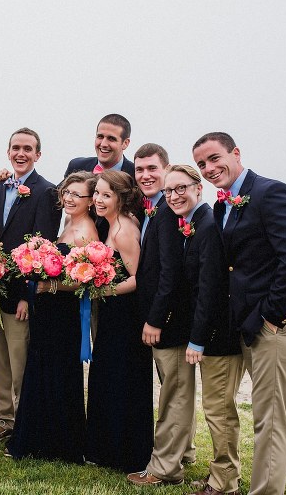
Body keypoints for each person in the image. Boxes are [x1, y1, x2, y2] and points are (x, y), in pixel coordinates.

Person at [192, 133, 286, 495]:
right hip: (253, 326)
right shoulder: (223, 207)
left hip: (282, 325)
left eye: (214, 158)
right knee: (285, 411)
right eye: (202, 164)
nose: (208, 169)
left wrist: (273, 316)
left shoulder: (272, 192)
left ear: (236, 153)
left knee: (269, 418)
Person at [162, 164, 244, 495]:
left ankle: (224, 482)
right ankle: (221, 476)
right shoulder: (194, 223)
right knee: (215, 408)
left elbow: (209, 288)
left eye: (181, 188)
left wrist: (196, 340)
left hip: (219, 336)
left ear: (199, 188)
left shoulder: (207, 225)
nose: (174, 196)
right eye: (169, 191)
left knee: (219, 411)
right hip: (208, 333)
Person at [6, 171, 98, 463]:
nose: (69, 199)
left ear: (90, 201)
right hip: (48, 309)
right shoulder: (69, 221)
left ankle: (62, 443)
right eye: (66, 192)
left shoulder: (87, 231)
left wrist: (50, 285)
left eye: (77, 195)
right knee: (42, 368)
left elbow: (86, 278)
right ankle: (38, 437)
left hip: (64, 312)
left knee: (60, 372)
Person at [0, 127, 61, 440]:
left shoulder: (45, 191)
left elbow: (42, 246)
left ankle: (23, 420)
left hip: (20, 293)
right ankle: (4, 418)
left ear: (38, 155)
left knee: (20, 361)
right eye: (16, 147)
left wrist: (27, 296)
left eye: (27, 149)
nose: (21, 153)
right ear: (8, 151)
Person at [127, 144, 191, 486]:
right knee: (174, 390)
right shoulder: (154, 209)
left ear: (165, 169)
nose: (145, 175)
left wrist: (155, 319)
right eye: (139, 170)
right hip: (163, 318)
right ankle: (184, 454)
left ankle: (165, 469)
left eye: (152, 168)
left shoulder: (168, 212)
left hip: (172, 322)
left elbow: (171, 273)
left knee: (174, 397)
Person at [84, 170, 153, 473]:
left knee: (123, 381)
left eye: (105, 195)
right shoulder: (108, 224)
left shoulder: (124, 230)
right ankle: (105, 448)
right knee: (107, 379)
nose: (98, 199)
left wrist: (103, 289)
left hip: (126, 317)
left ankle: (127, 453)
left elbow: (140, 278)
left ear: (121, 198)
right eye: (97, 193)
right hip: (112, 313)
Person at [64, 114, 135, 179]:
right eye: (100, 136)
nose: (103, 144)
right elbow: (58, 192)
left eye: (111, 138)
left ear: (125, 143)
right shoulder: (77, 167)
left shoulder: (135, 175)